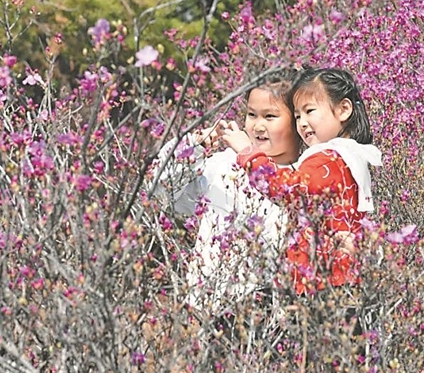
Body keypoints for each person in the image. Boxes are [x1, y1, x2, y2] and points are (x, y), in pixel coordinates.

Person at [151, 69, 302, 313]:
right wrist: (192, 149)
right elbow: (162, 191)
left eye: (270, 116)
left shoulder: (303, 176)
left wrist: (250, 155)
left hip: (271, 314)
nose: (258, 126)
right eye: (251, 115)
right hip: (208, 308)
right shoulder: (224, 166)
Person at [222, 67, 382, 295]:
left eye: (310, 111)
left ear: (343, 110)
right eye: (297, 116)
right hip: (340, 277)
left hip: (323, 281)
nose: (302, 123)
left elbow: (285, 188)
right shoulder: (348, 155)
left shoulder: (328, 159)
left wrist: (248, 153)